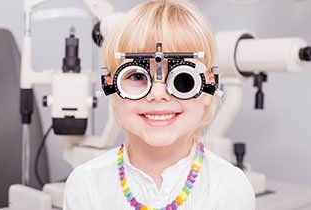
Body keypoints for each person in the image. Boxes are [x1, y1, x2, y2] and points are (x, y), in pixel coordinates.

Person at [63, 0, 255, 209]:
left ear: (208, 87)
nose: (158, 94)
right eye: (137, 75)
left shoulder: (229, 187)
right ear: (112, 88)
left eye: (182, 77)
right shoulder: (86, 184)